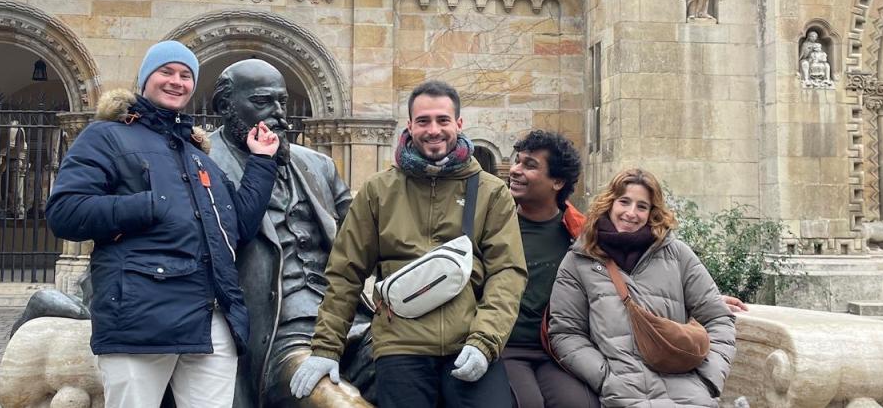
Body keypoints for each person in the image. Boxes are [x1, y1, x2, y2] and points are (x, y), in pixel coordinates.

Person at [46, 41, 280, 408]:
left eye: (186, 75)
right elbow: (65, 212)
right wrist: (151, 205)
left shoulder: (197, 154)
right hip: (140, 318)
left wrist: (263, 162)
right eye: (166, 72)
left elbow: (238, 226)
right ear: (145, 80)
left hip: (211, 320)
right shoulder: (107, 136)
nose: (177, 81)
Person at [289, 80, 528, 408]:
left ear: (458, 124)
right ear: (410, 126)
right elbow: (346, 272)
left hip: (468, 339)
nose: (434, 130)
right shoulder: (378, 190)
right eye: (424, 121)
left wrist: (485, 340)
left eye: (443, 120)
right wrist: (327, 348)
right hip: (400, 345)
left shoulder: (490, 191)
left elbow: (507, 273)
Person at [206, 59, 374, 407]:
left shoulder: (317, 164)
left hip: (351, 323)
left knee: (424, 371)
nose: (279, 114)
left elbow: (367, 238)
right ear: (225, 106)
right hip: (281, 335)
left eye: (282, 101)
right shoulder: (201, 163)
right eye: (262, 102)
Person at [548, 168, 736, 407]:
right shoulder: (579, 261)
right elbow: (566, 333)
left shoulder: (677, 255)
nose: (631, 213)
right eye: (624, 202)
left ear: (652, 212)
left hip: (690, 394)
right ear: (609, 204)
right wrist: (606, 378)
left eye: (642, 206)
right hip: (624, 394)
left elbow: (718, 318)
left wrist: (709, 378)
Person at [504, 130, 599, 408]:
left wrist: (703, 302)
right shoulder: (495, 225)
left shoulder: (580, 233)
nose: (515, 170)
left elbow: (629, 277)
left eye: (529, 165)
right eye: (517, 161)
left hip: (557, 351)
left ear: (557, 181)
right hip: (504, 347)